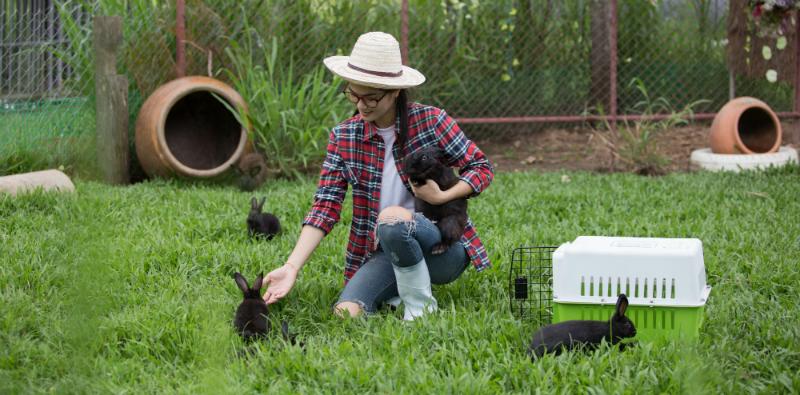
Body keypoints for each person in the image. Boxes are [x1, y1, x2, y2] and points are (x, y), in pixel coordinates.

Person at [261, 31, 494, 320]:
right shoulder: (344, 136)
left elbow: (481, 167)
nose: (361, 105)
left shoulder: (431, 121)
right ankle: (396, 290)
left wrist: (445, 195)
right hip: (384, 249)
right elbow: (325, 206)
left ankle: (419, 308)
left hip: (442, 248)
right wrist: (291, 266)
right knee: (345, 314)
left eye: (371, 96)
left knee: (393, 218)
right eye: (353, 94)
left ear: (395, 90)